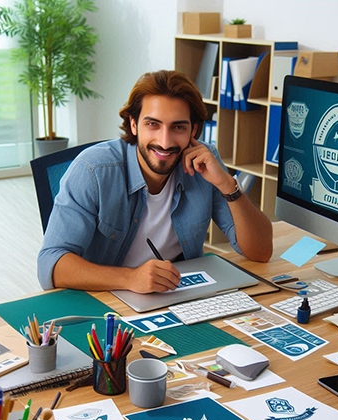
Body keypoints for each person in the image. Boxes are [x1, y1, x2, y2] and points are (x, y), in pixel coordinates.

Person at [37, 70, 273, 293]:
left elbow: (261, 251)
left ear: (194, 130)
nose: (165, 141)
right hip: (108, 298)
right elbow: (50, 264)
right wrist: (130, 278)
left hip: (175, 293)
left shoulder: (206, 162)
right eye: (153, 124)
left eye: (178, 127)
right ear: (133, 124)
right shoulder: (93, 170)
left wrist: (226, 185)